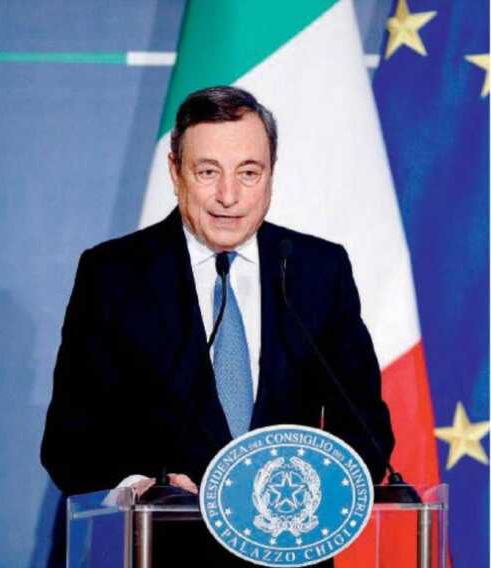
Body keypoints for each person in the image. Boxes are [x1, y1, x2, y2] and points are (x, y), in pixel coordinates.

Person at [41, 86, 394, 565]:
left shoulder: (317, 270)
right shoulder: (113, 274)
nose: (229, 196)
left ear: (270, 174)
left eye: (249, 173)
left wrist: (304, 496)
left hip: (286, 554)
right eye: (208, 172)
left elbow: (366, 430)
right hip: (159, 551)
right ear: (175, 172)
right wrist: (141, 490)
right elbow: (69, 442)